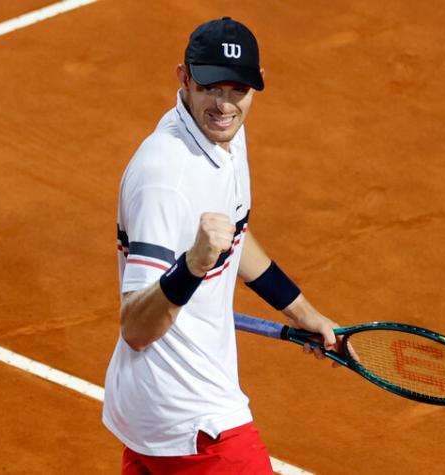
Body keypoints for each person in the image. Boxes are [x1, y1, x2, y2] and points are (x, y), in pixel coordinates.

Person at [103, 17, 343, 474]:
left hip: (157, 406)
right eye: (212, 87)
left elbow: (233, 235)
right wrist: (193, 265)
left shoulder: (225, 135)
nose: (224, 104)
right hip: (190, 414)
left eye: (238, 89)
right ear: (184, 78)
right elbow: (135, 326)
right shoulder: (166, 179)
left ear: (257, 85)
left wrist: (303, 312)